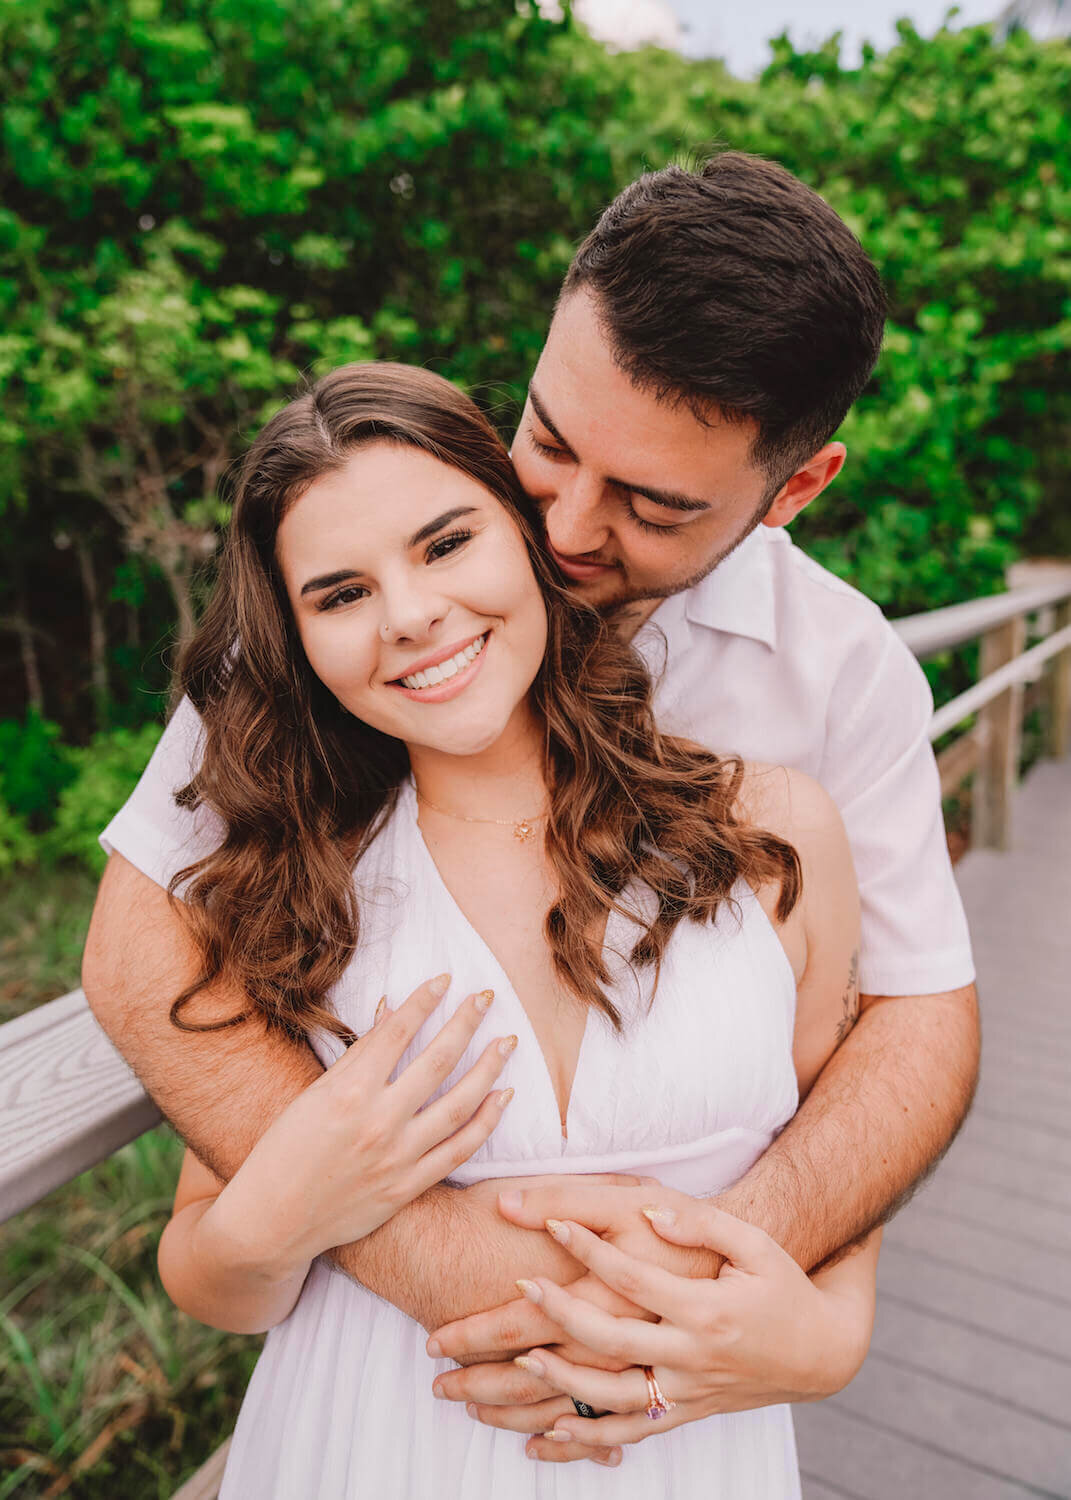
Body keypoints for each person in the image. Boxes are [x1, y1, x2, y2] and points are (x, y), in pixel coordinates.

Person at [82, 152, 978, 1469]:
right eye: (549, 437)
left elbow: (905, 1020)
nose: (558, 520)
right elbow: (137, 950)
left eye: (650, 503)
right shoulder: (386, 567)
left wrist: (750, 1306)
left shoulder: (834, 676)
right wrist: (431, 1255)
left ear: (792, 490)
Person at [125, 359, 879, 1496]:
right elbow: (210, 1281)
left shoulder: (770, 831)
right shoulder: (290, 885)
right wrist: (283, 1212)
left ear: (528, 541)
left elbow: (845, 1152)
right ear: (298, 640)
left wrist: (828, 1335)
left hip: (685, 1456)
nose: (413, 616)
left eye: (444, 544)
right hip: (361, 1446)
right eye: (340, 594)